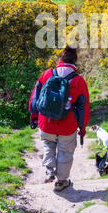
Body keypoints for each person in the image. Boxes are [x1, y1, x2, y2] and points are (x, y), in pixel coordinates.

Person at [29, 46, 90, 192]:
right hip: (67, 125)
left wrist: (33, 116)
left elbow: (35, 98)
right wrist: (82, 127)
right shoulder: (78, 80)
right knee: (65, 152)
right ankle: (61, 181)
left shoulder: (47, 74)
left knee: (48, 143)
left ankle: (49, 170)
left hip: (46, 121)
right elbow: (83, 107)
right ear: (75, 62)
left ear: (60, 59)